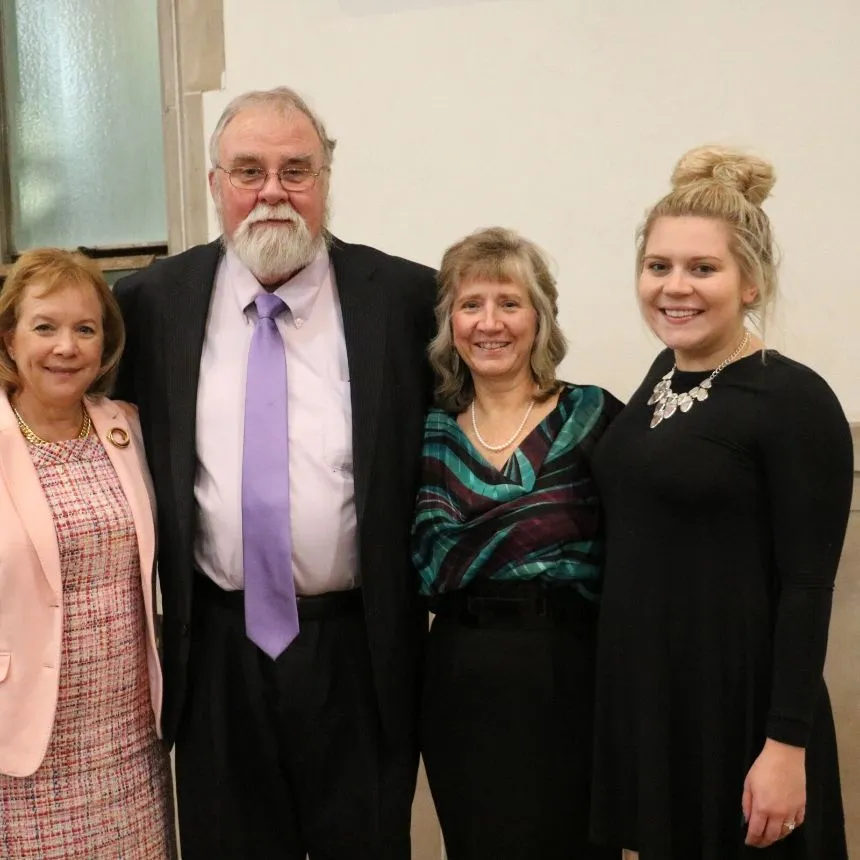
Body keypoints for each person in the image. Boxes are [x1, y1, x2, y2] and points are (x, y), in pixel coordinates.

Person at [112, 86, 436, 860]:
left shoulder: (405, 299)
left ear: (326, 178)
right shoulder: (150, 305)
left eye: (296, 170)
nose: (272, 193)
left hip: (359, 649)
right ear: (215, 183)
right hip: (214, 647)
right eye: (249, 170)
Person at [590, 146, 852, 859]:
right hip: (658, 705)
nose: (676, 287)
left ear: (753, 284)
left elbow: (807, 586)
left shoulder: (794, 398)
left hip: (742, 714)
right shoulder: (658, 377)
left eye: (703, 269)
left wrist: (785, 746)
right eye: (659, 266)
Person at [411, 227, 622, 860]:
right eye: (470, 305)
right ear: (449, 323)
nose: (489, 323)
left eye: (510, 302)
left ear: (540, 318)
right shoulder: (426, 432)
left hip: (571, 675)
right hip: (459, 680)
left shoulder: (593, 417)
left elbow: (643, 552)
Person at [0, 249, 175, 859]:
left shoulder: (124, 427)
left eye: (85, 328)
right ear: (9, 336)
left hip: (128, 739)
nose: (65, 347)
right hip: (20, 743)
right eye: (44, 326)